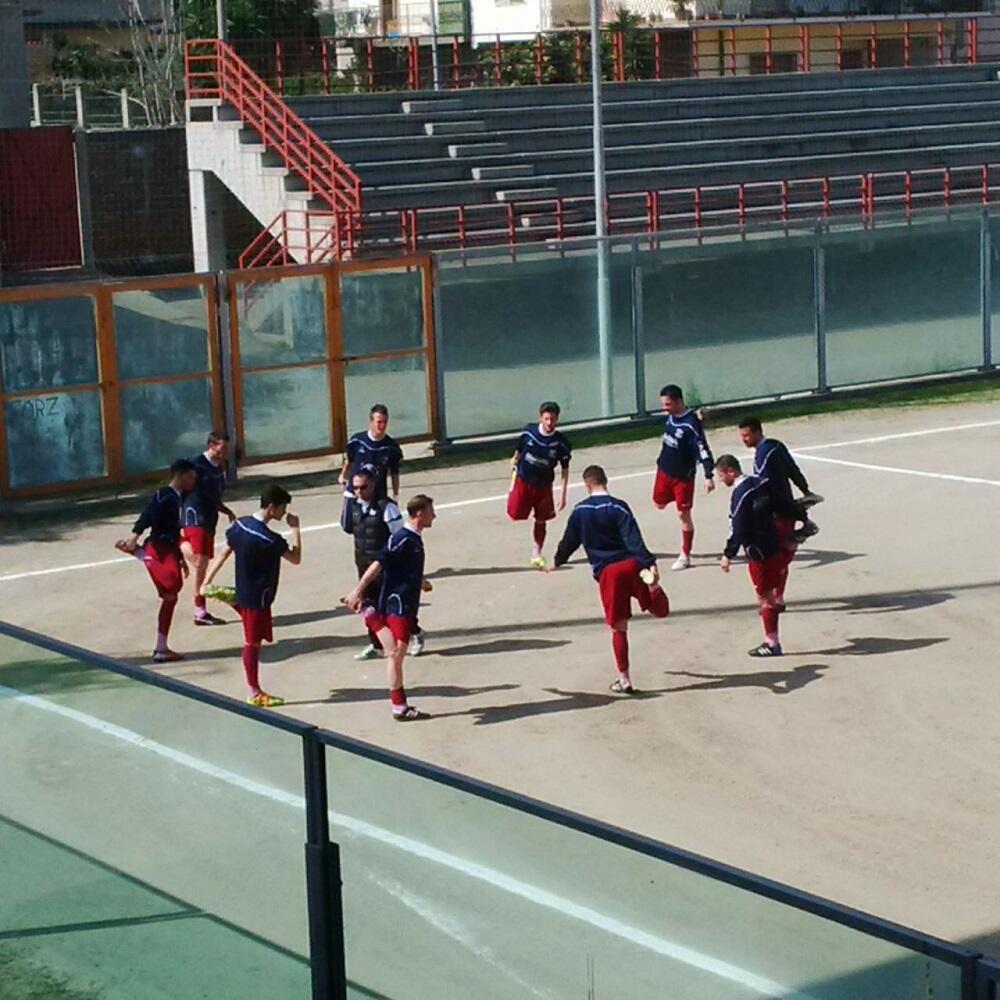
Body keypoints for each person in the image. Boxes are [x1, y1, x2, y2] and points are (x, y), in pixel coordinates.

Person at [548, 465, 669, 694]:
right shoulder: (619, 506)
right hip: (632, 565)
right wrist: (648, 561)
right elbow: (633, 538)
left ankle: (624, 679)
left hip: (609, 572)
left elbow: (569, 541)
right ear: (606, 481)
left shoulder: (580, 511)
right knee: (659, 610)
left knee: (618, 627)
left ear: (587, 484)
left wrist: (557, 560)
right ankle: (654, 588)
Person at [200, 483, 303, 707]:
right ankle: (254, 691)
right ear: (272, 507)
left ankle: (232, 598)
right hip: (258, 596)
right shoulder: (269, 539)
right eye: (283, 508)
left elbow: (224, 552)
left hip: (246, 589)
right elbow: (295, 558)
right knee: (252, 644)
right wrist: (295, 529)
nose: (285, 513)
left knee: (251, 628)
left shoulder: (240, 525)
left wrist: (206, 580)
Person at [344, 494, 436, 721]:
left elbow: (402, 567)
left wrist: (420, 581)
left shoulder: (412, 538)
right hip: (398, 604)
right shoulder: (402, 538)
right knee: (394, 653)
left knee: (395, 654)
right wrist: (359, 590)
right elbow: (380, 563)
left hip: (405, 604)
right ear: (420, 514)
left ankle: (399, 706)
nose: (434, 515)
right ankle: (399, 706)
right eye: (431, 511)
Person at [115, 459, 198, 663]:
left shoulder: (180, 497)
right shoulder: (165, 494)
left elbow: (175, 530)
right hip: (158, 547)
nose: (192, 481)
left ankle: (161, 648)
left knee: (171, 596)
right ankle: (141, 554)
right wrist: (135, 536)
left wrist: (180, 559)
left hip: (168, 548)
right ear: (179, 475)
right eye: (190, 477)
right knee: (173, 584)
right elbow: (149, 514)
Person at [342, 467, 429, 660]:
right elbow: (346, 527)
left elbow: (400, 536)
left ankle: (415, 633)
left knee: (393, 607)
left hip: (385, 566)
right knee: (368, 606)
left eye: (363, 487)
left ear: (373, 485)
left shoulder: (386, 507)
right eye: (355, 488)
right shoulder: (354, 506)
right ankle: (377, 645)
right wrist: (346, 499)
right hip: (363, 563)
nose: (359, 492)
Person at [738, 416, 824, 609]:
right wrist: (805, 490)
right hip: (788, 508)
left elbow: (764, 487)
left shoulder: (763, 455)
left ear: (758, 432)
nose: (743, 439)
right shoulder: (776, 445)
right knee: (781, 556)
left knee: (774, 557)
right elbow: (793, 469)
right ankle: (779, 597)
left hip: (775, 513)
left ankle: (773, 598)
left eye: (746, 435)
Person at [715, 454, 785, 657]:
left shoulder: (740, 493)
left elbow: (738, 527)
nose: (720, 480)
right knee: (769, 595)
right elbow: (780, 503)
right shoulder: (760, 482)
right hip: (773, 546)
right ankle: (772, 636)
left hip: (758, 553)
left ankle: (772, 643)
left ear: (731, 471)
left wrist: (728, 554)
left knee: (764, 598)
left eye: (721, 476)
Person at [653, 384, 715, 570]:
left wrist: (708, 475)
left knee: (683, 515)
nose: (665, 408)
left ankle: (685, 555)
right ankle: (675, 499)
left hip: (683, 477)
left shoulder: (691, 424)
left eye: (668, 404)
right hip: (664, 470)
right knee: (659, 504)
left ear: (679, 402)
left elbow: (703, 449)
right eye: (663, 404)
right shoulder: (671, 417)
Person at [181, 430, 236, 626]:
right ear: (211, 446)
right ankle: (200, 610)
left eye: (227, 448)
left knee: (201, 562)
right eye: (222, 448)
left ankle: (180, 545)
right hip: (193, 516)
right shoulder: (195, 464)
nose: (226, 452)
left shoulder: (219, 469)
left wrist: (225, 510)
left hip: (209, 519)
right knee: (201, 562)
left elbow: (214, 497)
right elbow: (177, 486)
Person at [507, 401, 572, 568]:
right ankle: (512, 492)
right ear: (540, 418)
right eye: (547, 419)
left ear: (557, 419)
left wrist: (563, 495)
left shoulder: (561, 443)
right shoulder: (529, 432)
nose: (550, 423)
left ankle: (536, 553)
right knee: (514, 514)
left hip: (543, 487)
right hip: (523, 481)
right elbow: (519, 449)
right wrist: (514, 460)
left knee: (541, 520)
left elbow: (565, 470)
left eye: (553, 419)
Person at [339, 404, 403, 504]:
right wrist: (343, 475)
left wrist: (395, 495)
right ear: (371, 422)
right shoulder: (356, 441)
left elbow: (395, 473)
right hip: (354, 494)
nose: (382, 426)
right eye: (379, 422)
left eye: (385, 422)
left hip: (377, 497)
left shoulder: (391, 447)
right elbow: (349, 461)